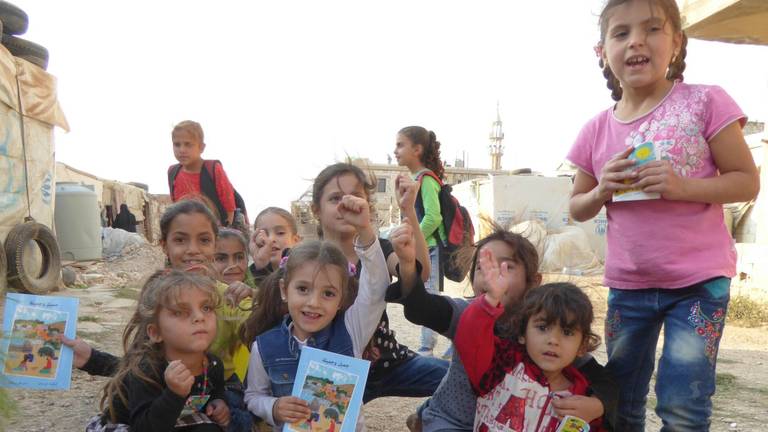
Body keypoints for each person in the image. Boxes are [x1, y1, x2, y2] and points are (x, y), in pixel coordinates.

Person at [567, 1, 760, 430]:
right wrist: (603, 188)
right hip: (629, 286)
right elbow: (577, 207)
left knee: (683, 404)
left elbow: (746, 181)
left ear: (675, 42)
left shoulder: (705, 101)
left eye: (652, 29)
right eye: (621, 33)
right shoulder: (596, 129)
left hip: (698, 285)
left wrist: (681, 186)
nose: (636, 40)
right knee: (620, 399)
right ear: (601, 51)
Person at [397, 225, 616, 432]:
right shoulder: (468, 313)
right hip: (453, 420)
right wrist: (407, 266)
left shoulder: (546, 330)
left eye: (506, 267)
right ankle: (425, 414)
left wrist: (598, 404)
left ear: (533, 282)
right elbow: (420, 308)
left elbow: (605, 380)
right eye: (482, 267)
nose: (491, 277)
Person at [68, 200, 255, 432]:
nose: (193, 249)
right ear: (164, 245)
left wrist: (256, 300)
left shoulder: (229, 298)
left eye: (204, 240)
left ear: (215, 244)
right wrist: (93, 360)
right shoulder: (157, 295)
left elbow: (263, 333)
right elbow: (138, 367)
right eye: (180, 239)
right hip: (160, 400)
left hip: (208, 387)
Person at [241, 195, 395, 429]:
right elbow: (253, 395)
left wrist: (364, 229)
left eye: (328, 294)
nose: (313, 303)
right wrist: (273, 406)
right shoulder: (264, 347)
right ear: (285, 290)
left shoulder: (352, 330)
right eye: (303, 289)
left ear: (342, 299)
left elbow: (376, 288)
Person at [309, 163, 448, 403]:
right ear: (316, 210)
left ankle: (427, 417)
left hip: (389, 361)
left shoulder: (378, 248)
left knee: (459, 378)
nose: (346, 204)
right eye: (335, 198)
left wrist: (409, 211)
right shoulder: (306, 258)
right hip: (335, 366)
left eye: (354, 197)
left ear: (368, 207)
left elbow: (421, 273)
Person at [456, 275, 606, 432]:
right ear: (522, 334)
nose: (553, 340)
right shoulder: (500, 365)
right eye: (542, 328)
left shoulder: (582, 400)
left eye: (567, 332)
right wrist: (490, 300)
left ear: (582, 345)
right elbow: (470, 339)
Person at [85, 270, 229, 432]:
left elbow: (217, 390)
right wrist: (174, 394)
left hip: (176, 420)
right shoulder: (145, 372)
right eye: (180, 312)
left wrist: (218, 402)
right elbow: (144, 428)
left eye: (206, 308)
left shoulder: (212, 365)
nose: (199, 317)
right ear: (156, 333)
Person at [394, 126, 447, 357]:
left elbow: (434, 217)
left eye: (400, 145)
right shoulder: (417, 178)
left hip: (431, 248)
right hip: (427, 246)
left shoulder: (425, 180)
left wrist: (415, 240)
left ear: (417, 149)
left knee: (429, 297)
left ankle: (427, 348)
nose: (395, 150)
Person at [169, 120, 238, 227]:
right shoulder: (173, 172)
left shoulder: (213, 169)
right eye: (177, 145)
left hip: (214, 229)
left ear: (201, 147)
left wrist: (224, 231)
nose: (182, 150)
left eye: (188, 145)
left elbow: (229, 206)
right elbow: (176, 205)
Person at [248, 207, 301, 285]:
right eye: (264, 234)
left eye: (280, 233)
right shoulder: (247, 276)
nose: (271, 239)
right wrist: (260, 265)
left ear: (296, 240)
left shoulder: (305, 270)